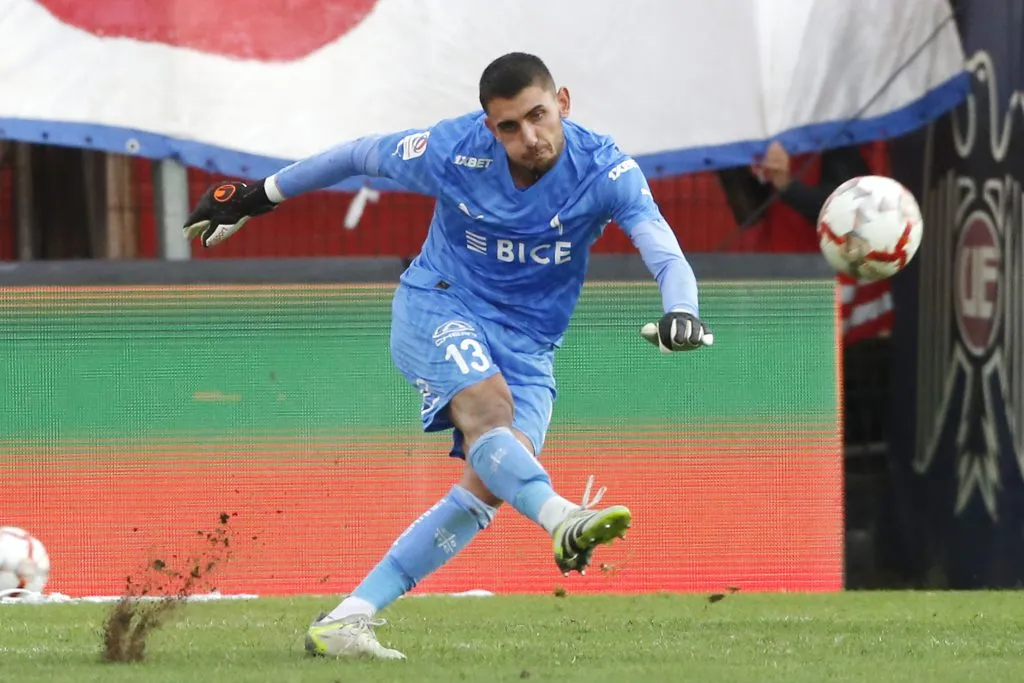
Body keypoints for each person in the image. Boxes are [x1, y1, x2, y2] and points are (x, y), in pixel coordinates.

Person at [183, 52, 712, 660]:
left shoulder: (606, 170)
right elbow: (360, 153)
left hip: (531, 345)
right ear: (489, 126)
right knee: (489, 415)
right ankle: (562, 517)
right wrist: (261, 194)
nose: (528, 137)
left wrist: (684, 310)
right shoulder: (453, 148)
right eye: (509, 126)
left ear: (562, 102)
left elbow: (662, 246)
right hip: (440, 303)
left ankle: (347, 619)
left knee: (491, 484)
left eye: (538, 116)